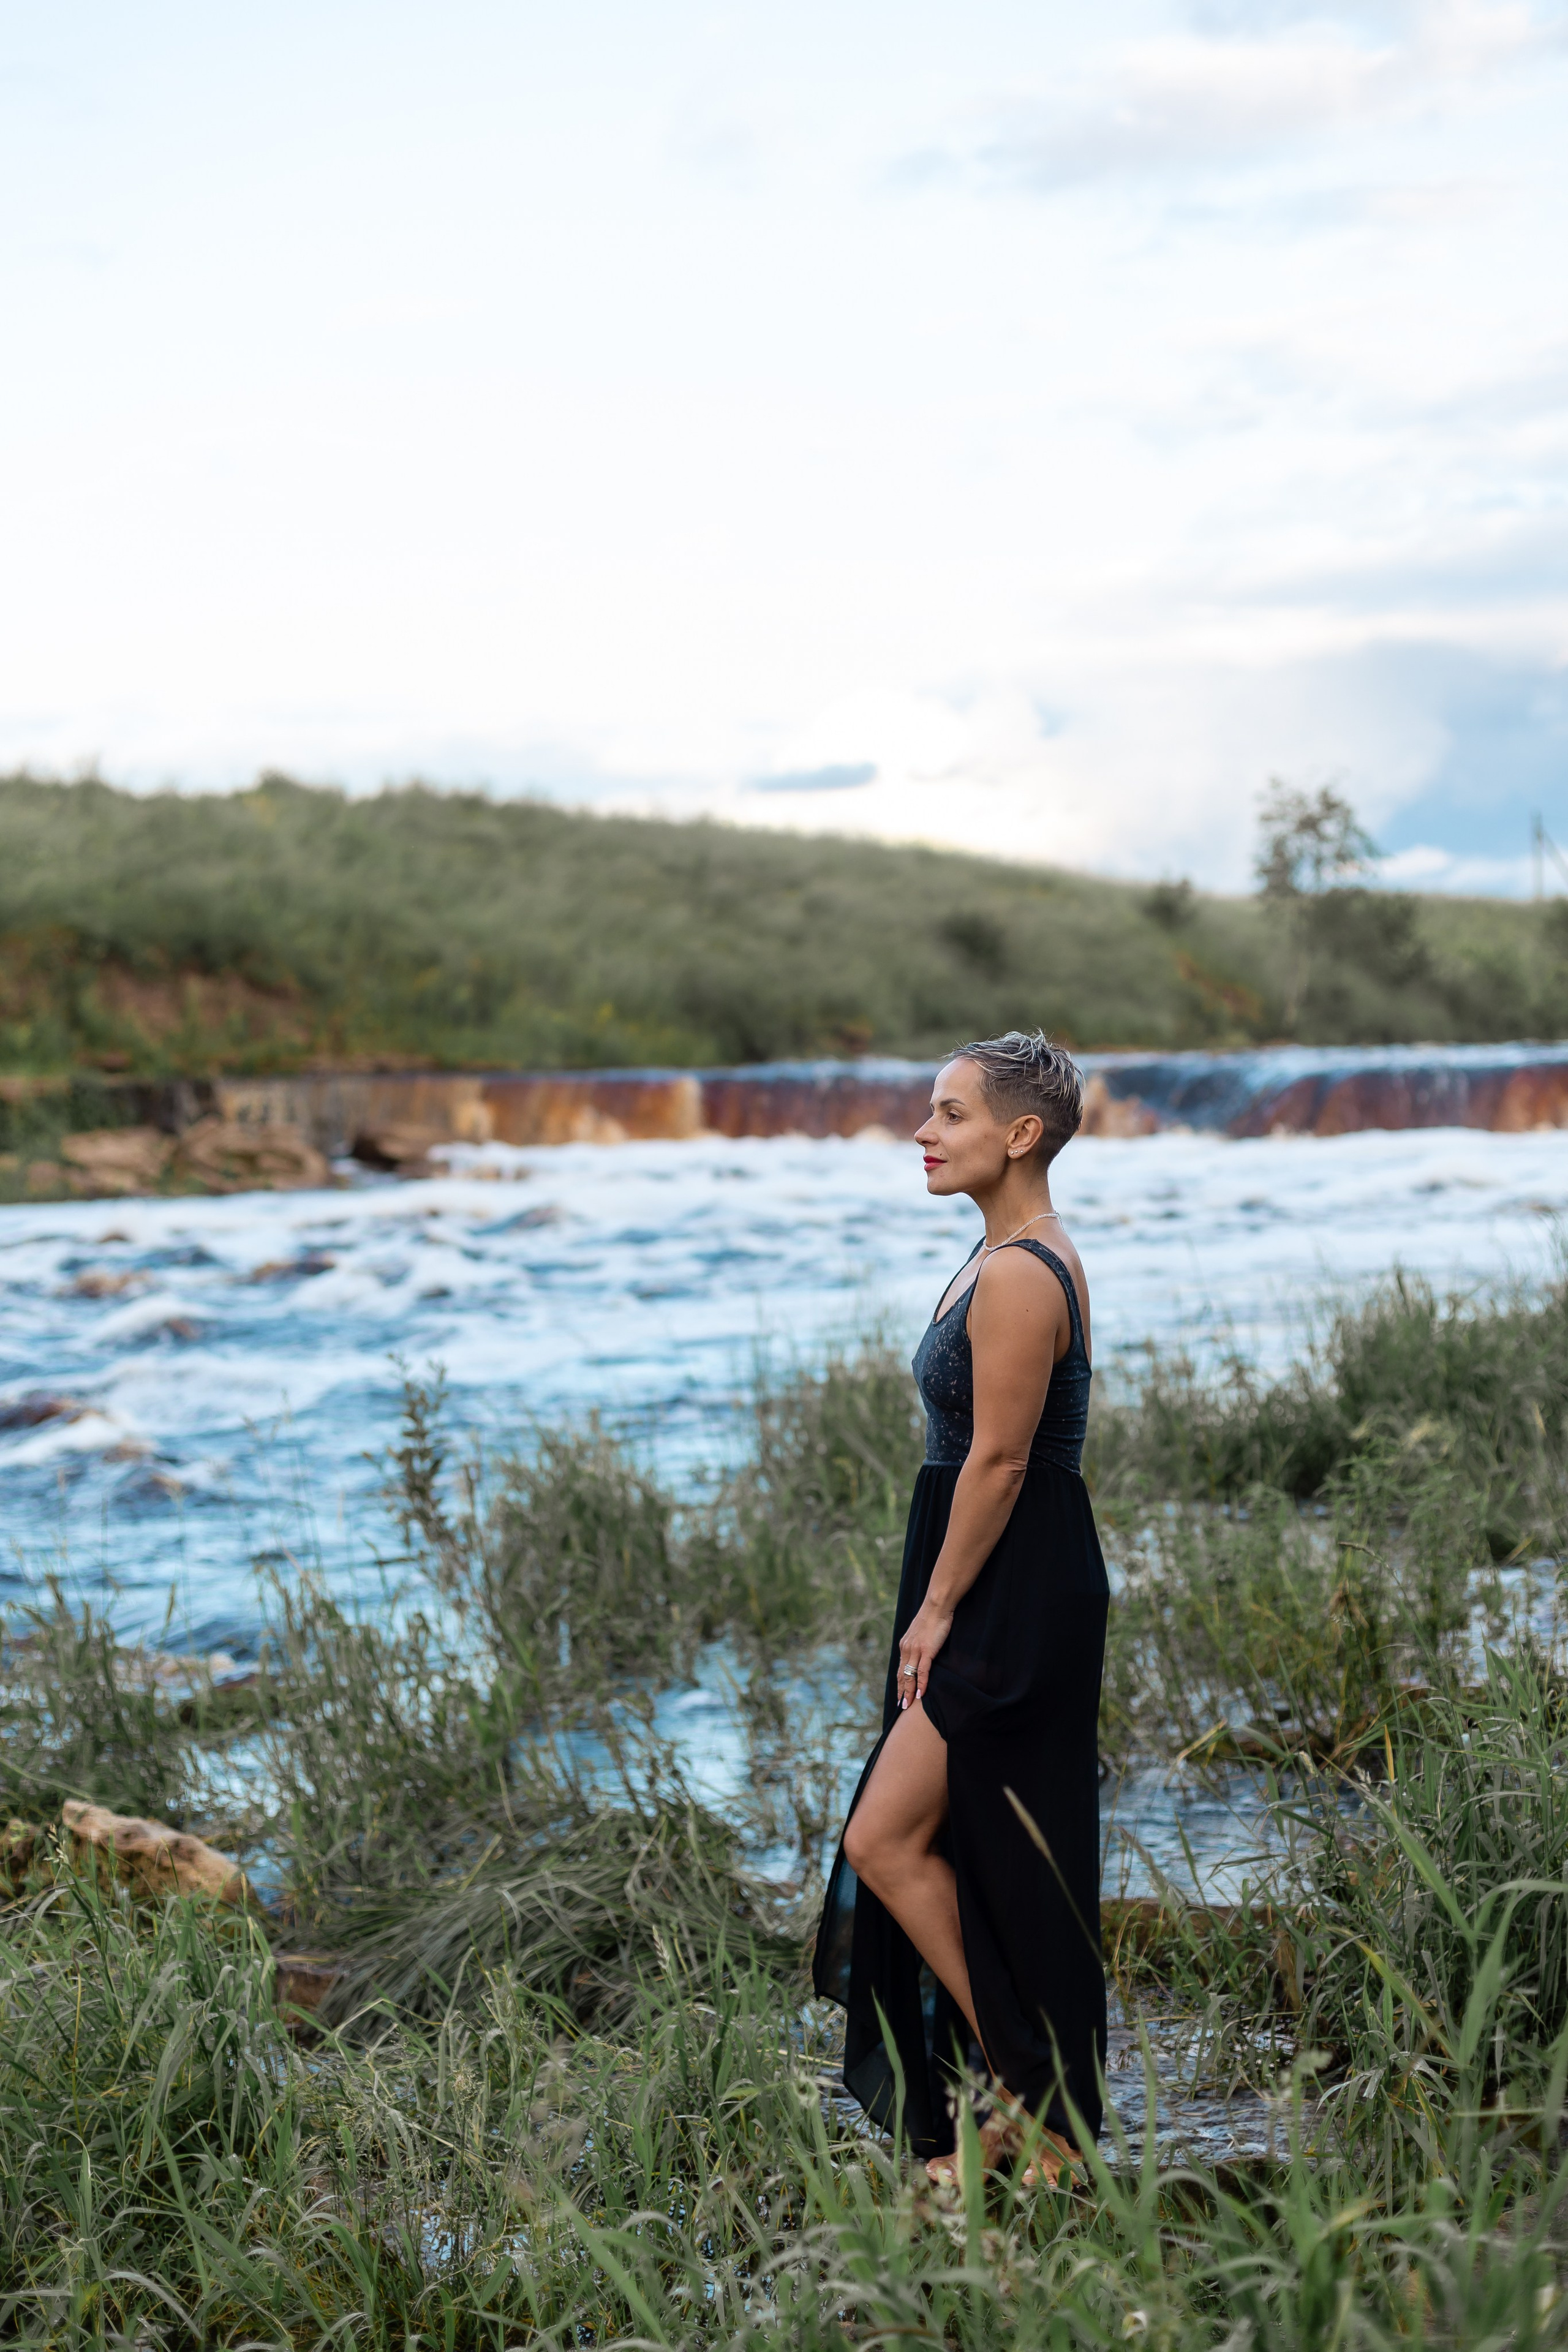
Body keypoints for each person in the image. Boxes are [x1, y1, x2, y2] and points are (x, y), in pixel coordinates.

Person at [813, 1030, 1108, 2188]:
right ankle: (1027, 2107)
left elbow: (998, 1463)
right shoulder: (1001, 1257)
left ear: (1019, 1134)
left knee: (888, 1836)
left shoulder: (1026, 1275)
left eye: (949, 1115)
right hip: (991, 1568)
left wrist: (936, 1612)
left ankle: (1043, 2114)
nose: (924, 1135)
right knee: (963, 1840)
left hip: (1010, 1581)